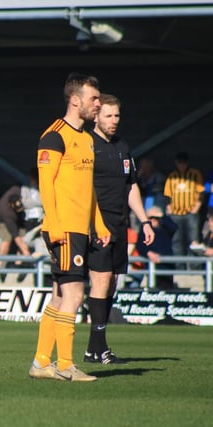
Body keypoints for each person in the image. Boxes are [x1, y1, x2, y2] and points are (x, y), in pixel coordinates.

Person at [29, 73, 110, 382]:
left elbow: (88, 189)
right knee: (75, 294)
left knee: (60, 296)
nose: (97, 104)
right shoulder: (53, 136)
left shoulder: (87, 139)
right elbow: (45, 186)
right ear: (76, 100)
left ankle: (40, 363)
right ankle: (65, 365)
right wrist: (55, 223)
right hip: (63, 228)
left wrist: (99, 223)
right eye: (93, 99)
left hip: (81, 228)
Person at [84, 93, 155, 365]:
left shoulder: (122, 146)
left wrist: (144, 220)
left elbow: (131, 185)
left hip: (119, 223)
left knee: (112, 282)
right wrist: (92, 223)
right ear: (96, 116)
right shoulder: (87, 144)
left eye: (117, 116)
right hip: (96, 224)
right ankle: (99, 348)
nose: (114, 121)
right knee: (100, 280)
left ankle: (95, 348)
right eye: (109, 116)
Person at [163, 151, 204, 261]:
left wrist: (196, 208)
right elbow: (167, 194)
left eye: (184, 162)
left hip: (191, 213)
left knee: (194, 240)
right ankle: (178, 266)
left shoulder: (195, 174)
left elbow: (201, 193)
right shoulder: (172, 176)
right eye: (180, 162)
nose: (182, 165)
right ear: (176, 163)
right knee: (176, 241)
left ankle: (194, 268)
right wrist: (169, 208)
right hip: (176, 214)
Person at [136, 206, 177, 289]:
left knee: (167, 289)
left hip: (166, 265)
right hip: (151, 265)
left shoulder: (165, 230)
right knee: (153, 288)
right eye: (150, 218)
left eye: (156, 218)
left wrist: (163, 215)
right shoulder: (144, 232)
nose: (153, 220)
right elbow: (140, 245)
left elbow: (174, 227)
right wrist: (148, 253)